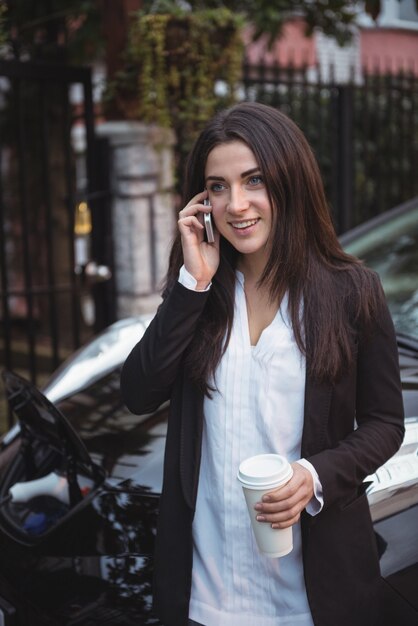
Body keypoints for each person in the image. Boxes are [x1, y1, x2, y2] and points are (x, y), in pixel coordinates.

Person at [120, 102, 404, 626]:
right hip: (204, 598)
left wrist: (314, 475)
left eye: (254, 180)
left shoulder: (352, 293)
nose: (237, 204)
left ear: (289, 181)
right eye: (218, 187)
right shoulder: (200, 289)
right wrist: (192, 283)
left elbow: (385, 423)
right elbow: (138, 393)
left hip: (308, 599)